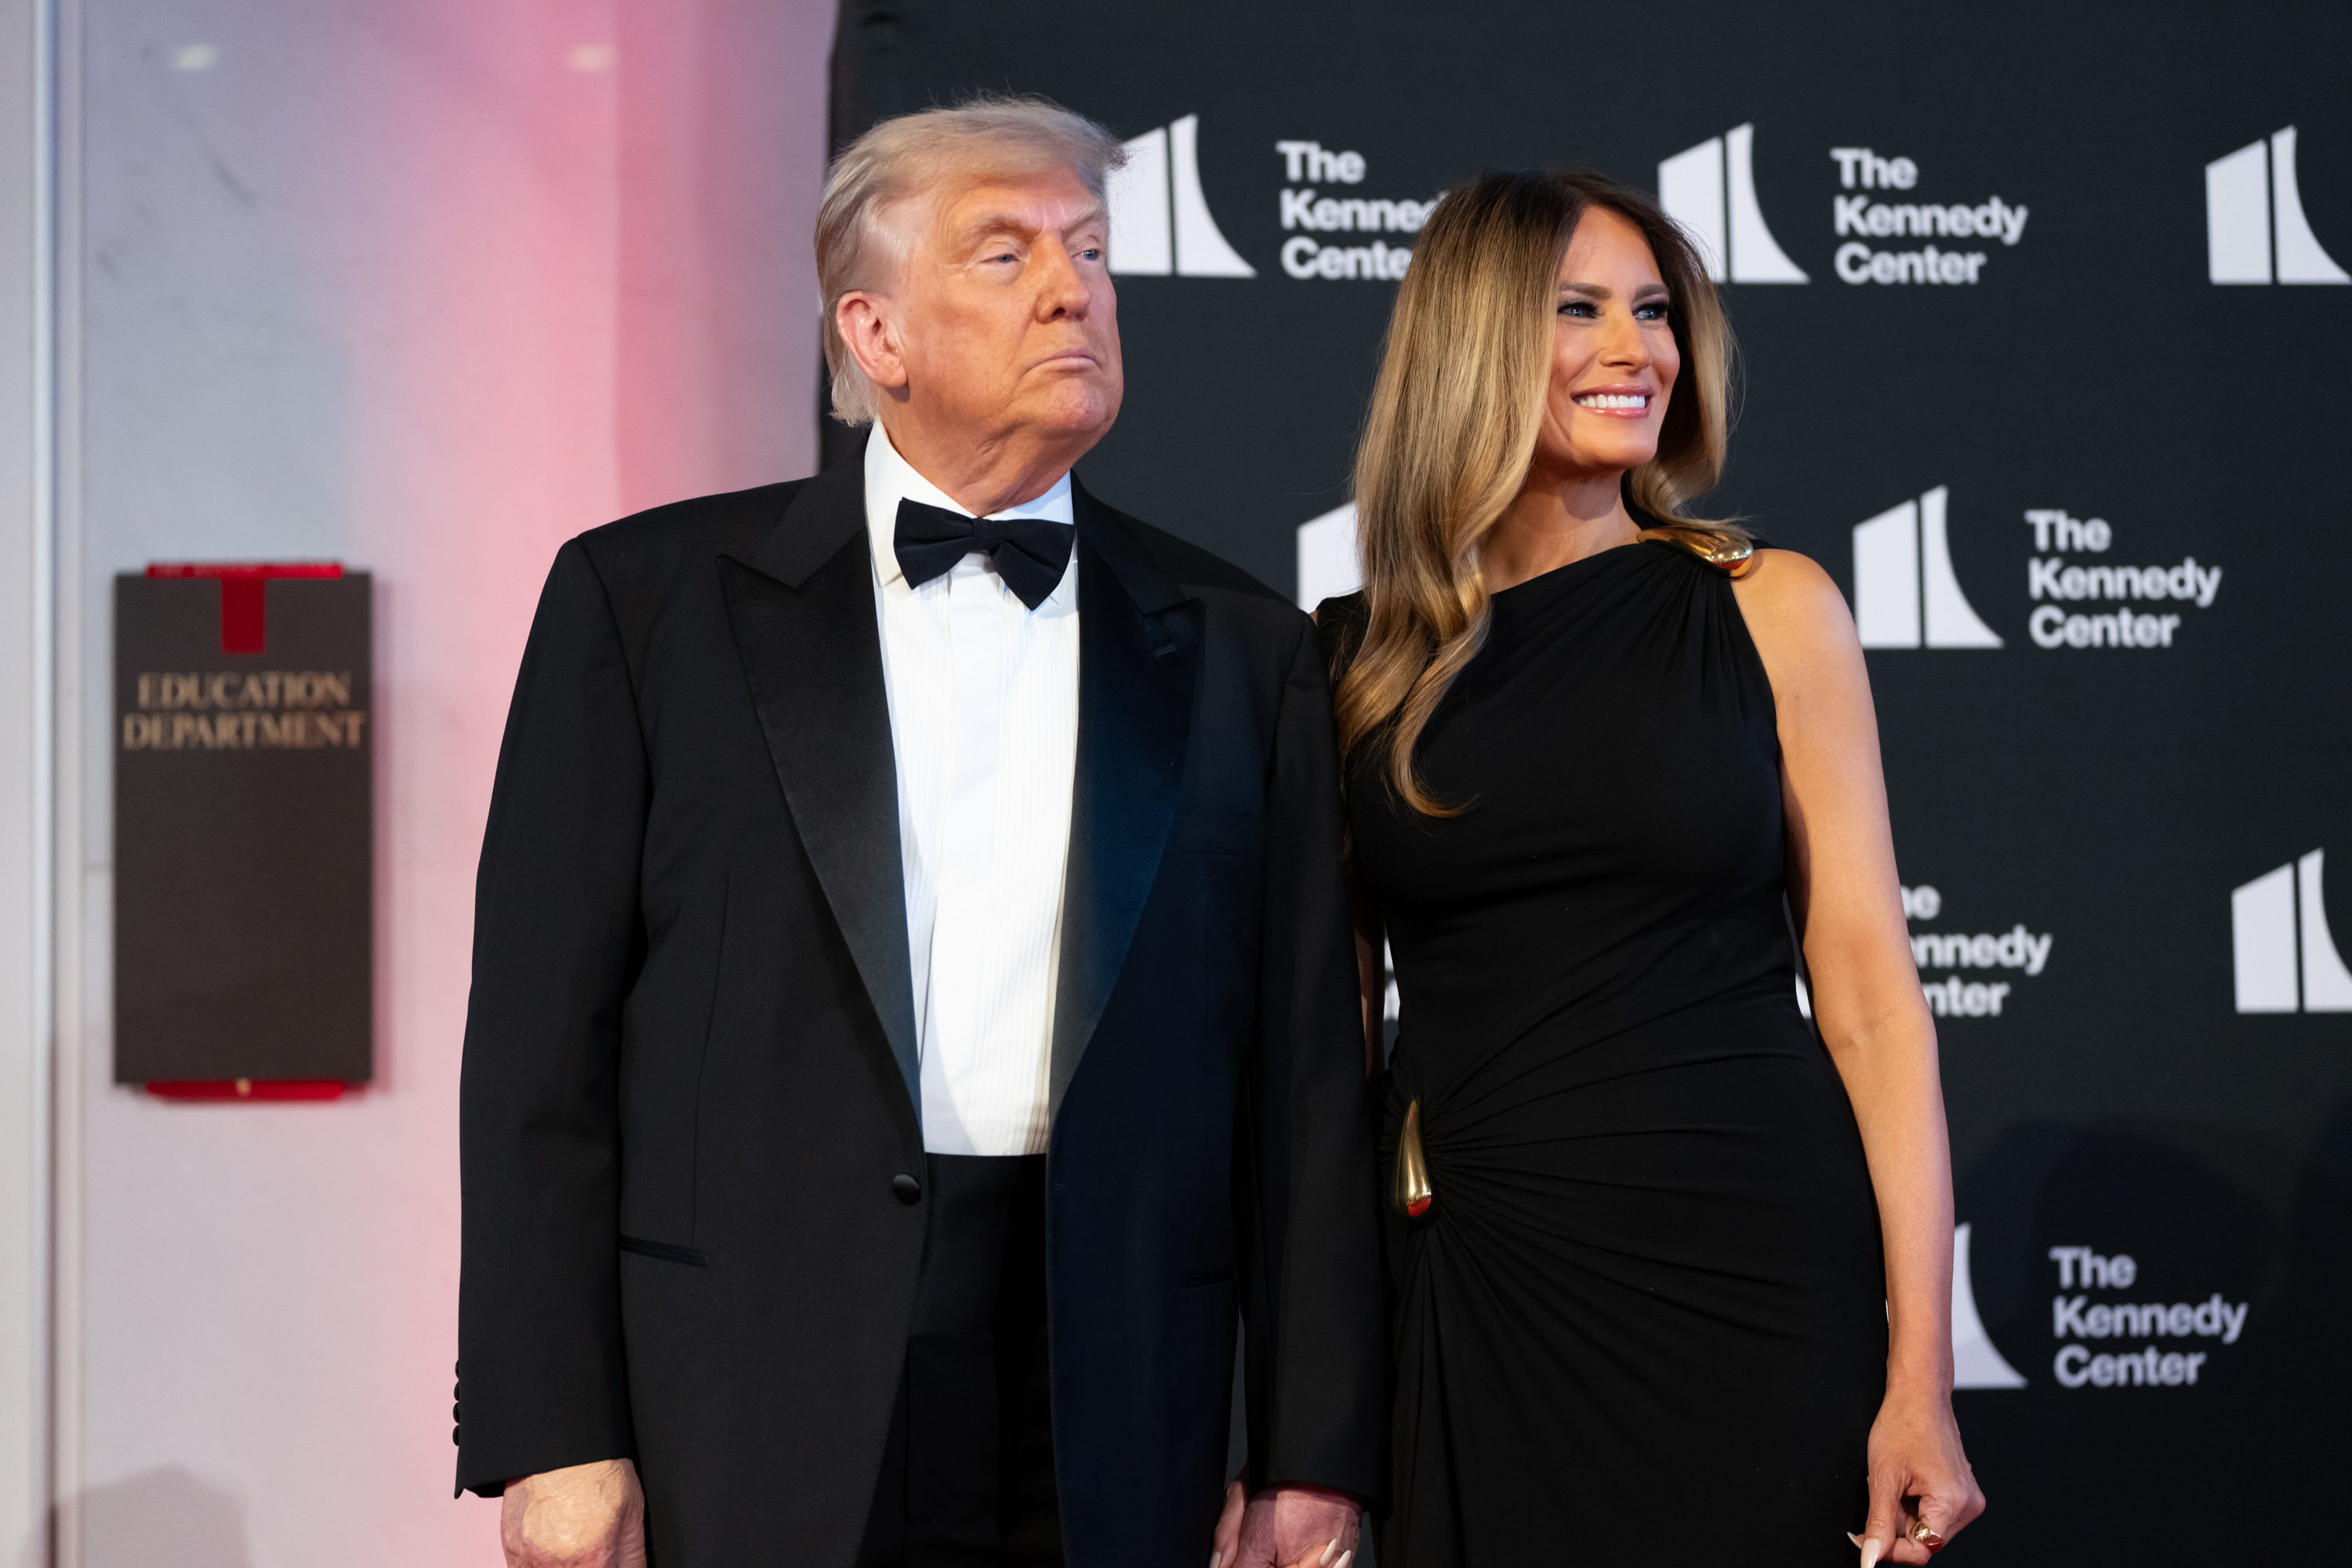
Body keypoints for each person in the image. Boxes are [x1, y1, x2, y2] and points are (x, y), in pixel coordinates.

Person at [455, 96, 1384, 1568]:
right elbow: (535, 1053)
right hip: (753, 1382)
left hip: (1115, 1382)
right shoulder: (647, 605)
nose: (1073, 288)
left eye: (1087, 249)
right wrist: (551, 1428)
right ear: (873, 335)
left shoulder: (1238, 645)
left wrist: (1311, 1447)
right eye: (1003, 254)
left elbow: (1305, 1085)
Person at [1317, 169, 1987, 1566]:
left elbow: (1869, 997)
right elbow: (1326, 1047)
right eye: (1580, 310)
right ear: (1474, 339)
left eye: (1655, 311)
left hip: (1754, 1266)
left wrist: (1920, 1373)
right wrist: (1303, 1417)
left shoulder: (1770, 609)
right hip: (1481, 1277)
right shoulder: (1353, 662)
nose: (1641, 350)